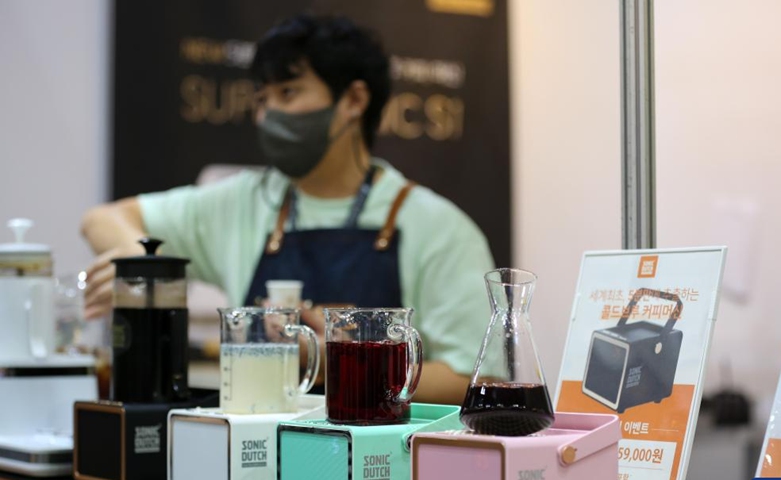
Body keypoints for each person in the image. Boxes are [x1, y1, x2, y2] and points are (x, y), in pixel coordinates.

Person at [81, 14, 495, 405]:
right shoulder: (246, 200)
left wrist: (341, 363)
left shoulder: (437, 227)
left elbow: (477, 381)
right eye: (262, 99)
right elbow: (103, 220)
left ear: (353, 99)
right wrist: (139, 261)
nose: (267, 115)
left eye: (288, 92)